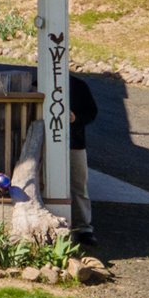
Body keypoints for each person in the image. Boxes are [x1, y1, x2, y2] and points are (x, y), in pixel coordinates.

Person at [69, 73, 98, 241]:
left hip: (75, 142)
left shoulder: (79, 86)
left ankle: (84, 227)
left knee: (79, 184)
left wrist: (76, 118)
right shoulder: (39, 82)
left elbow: (92, 112)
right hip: (47, 143)